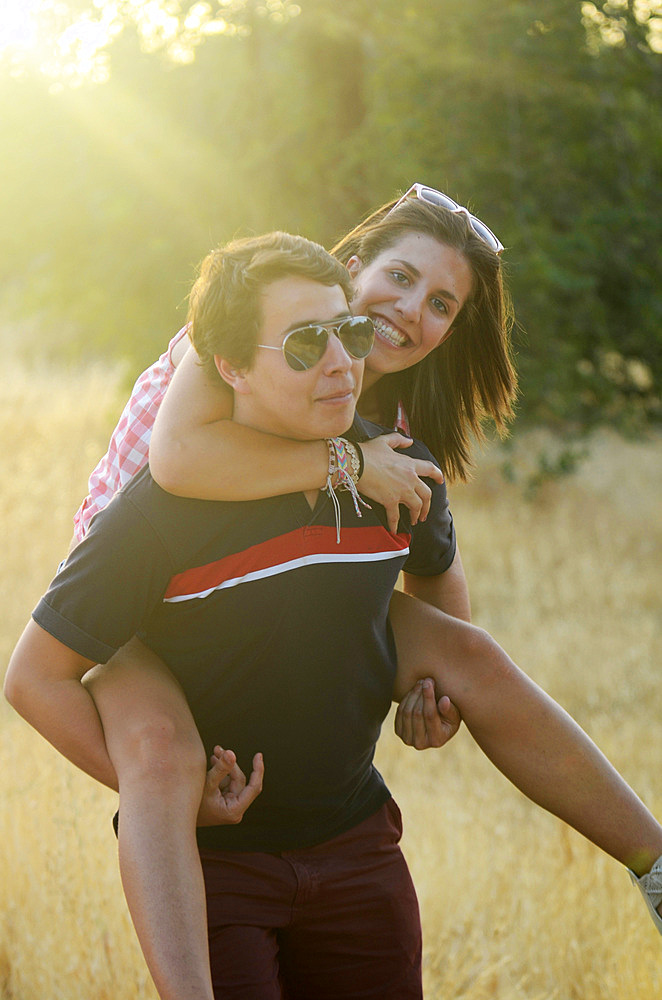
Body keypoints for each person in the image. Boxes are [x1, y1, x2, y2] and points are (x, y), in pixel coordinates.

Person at [6, 231, 464, 999]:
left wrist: (435, 693)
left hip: (353, 843)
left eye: (346, 333)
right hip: (214, 848)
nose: (342, 359)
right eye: (306, 344)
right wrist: (175, 798)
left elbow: (448, 616)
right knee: (159, 752)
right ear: (232, 368)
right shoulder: (175, 488)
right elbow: (34, 679)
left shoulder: (388, 449)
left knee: (481, 665)